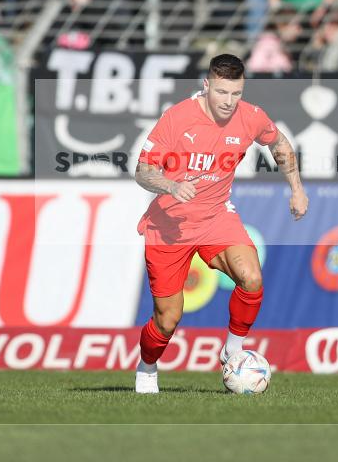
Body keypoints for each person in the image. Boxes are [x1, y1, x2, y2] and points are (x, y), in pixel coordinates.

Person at [132, 53, 308, 394]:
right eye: (222, 93)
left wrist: (297, 189)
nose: (229, 102)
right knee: (167, 319)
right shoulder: (177, 118)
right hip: (169, 226)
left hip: (215, 217)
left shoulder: (251, 117)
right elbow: (143, 170)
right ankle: (147, 366)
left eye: (236, 94)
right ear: (206, 86)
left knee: (252, 277)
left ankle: (233, 348)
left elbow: (280, 145)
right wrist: (170, 185)